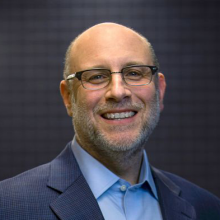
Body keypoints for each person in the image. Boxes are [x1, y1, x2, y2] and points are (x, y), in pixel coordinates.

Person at [0, 22, 219, 220]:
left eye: (134, 73)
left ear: (159, 91)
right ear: (68, 97)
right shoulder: (8, 206)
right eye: (96, 76)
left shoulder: (207, 209)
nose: (118, 91)